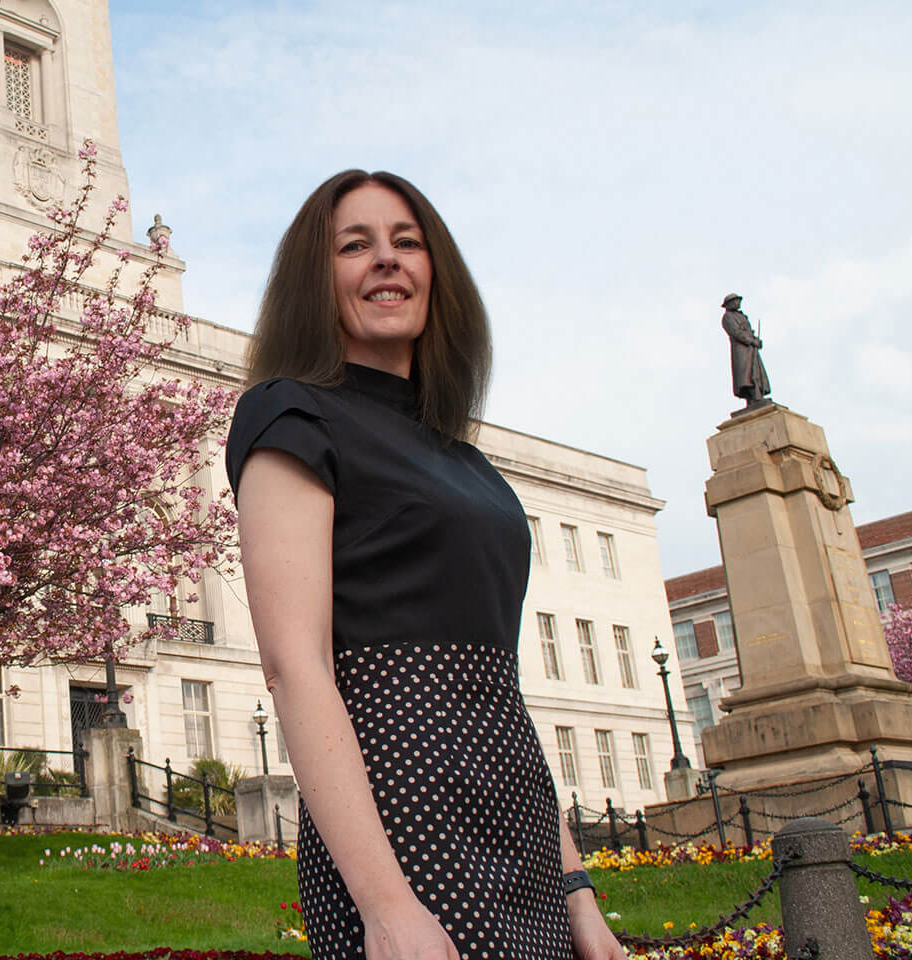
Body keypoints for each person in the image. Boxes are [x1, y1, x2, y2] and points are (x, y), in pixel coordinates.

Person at [226, 170, 623, 960]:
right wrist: (386, 905)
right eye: (354, 245)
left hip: (515, 811)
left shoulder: (468, 464)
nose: (386, 260)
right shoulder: (291, 413)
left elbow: (496, 689)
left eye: (407, 242)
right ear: (317, 278)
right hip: (401, 816)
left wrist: (575, 888)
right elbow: (295, 668)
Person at [721, 293, 771, 406]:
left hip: (750, 348)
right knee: (746, 375)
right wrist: (751, 341)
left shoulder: (742, 316)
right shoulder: (728, 317)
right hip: (741, 350)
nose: (738, 303)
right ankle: (753, 398)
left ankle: (757, 397)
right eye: (735, 301)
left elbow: (748, 331)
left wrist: (755, 340)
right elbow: (736, 332)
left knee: (755, 372)